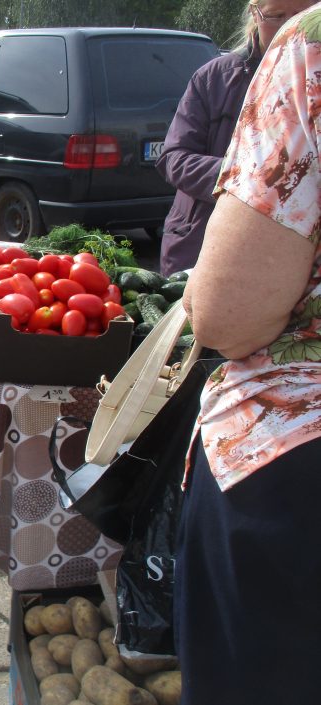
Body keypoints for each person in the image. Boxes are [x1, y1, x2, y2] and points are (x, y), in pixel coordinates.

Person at [177, 4, 321, 703]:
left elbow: (229, 314)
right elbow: (174, 156)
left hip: (295, 466)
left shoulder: (310, 48)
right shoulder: (212, 77)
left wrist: (249, 180)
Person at [155, 0, 316, 277]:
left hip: (289, 257)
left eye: (302, 16)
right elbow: (174, 159)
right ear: (255, 15)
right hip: (200, 246)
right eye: (276, 16)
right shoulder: (213, 78)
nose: (290, 27)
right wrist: (250, 179)